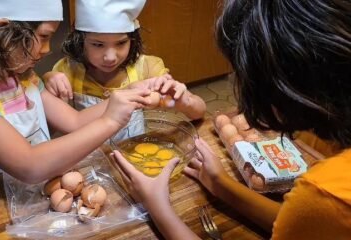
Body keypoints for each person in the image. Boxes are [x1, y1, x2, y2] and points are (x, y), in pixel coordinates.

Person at [112, 0, 351, 239]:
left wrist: (159, 208)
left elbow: (313, 215)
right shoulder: (324, 198)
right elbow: (304, 224)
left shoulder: (328, 194)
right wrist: (222, 185)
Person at [0, 0, 153, 238]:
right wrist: (110, 122)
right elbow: (30, 165)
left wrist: (130, 93)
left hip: (32, 195)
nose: (47, 50)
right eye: (44, 36)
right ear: (1, 31)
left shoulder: (20, 75)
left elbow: (74, 121)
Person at [43, 0, 206, 129]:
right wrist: (49, 84)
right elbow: (53, 128)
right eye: (98, 45)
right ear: (80, 42)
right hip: (86, 161)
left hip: (132, 154)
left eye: (121, 43)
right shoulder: (67, 71)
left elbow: (199, 111)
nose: (110, 57)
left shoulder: (147, 67)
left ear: (132, 40)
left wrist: (182, 101)